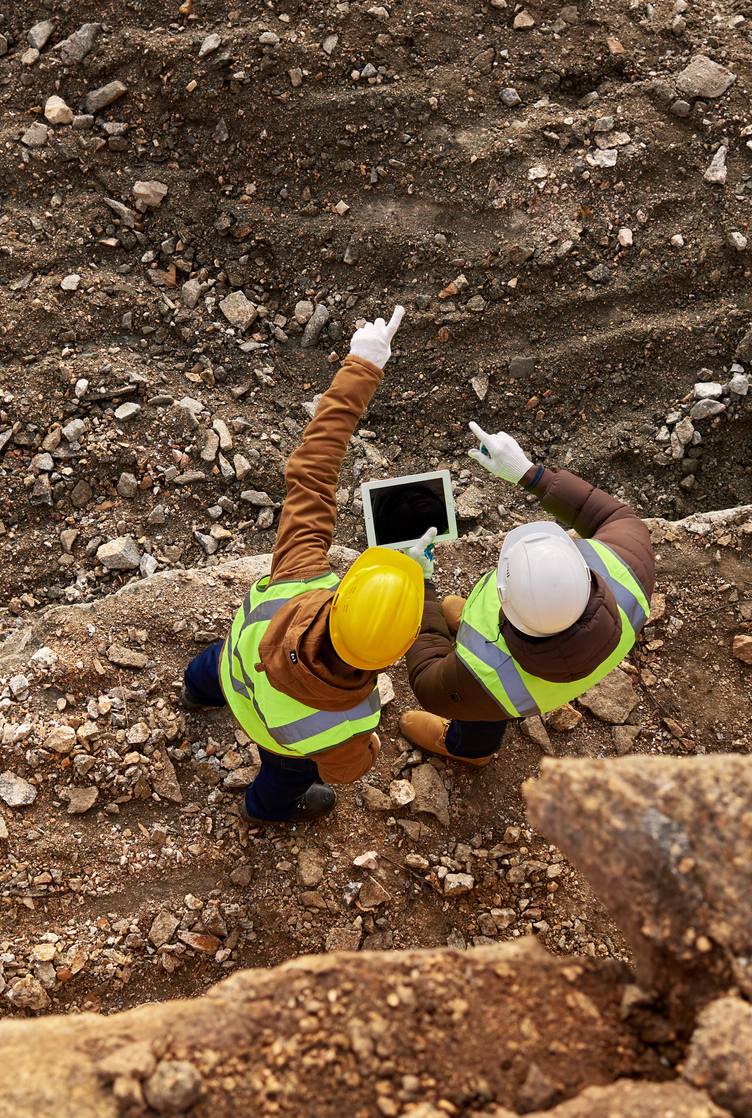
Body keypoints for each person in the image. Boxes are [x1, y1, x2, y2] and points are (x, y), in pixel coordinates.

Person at [181, 305, 424, 822]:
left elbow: (312, 468)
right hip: (278, 740)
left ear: (343, 595)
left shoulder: (300, 574)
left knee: (209, 669)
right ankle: (263, 811)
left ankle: (197, 694)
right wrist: (372, 752)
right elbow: (345, 769)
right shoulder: (357, 717)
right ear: (391, 658)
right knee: (285, 780)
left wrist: (363, 365)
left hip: (234, 670)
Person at [403, 422, 655, 766]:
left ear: (502, 603)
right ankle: (468, 631)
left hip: (495, 688)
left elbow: (426, 678)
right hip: (577, 657)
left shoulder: (486, 676)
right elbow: (613, 515)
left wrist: (422, 586)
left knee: (482, 712)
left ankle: (470, 750)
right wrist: (529, 473)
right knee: (485, 693)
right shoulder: (628, 572)